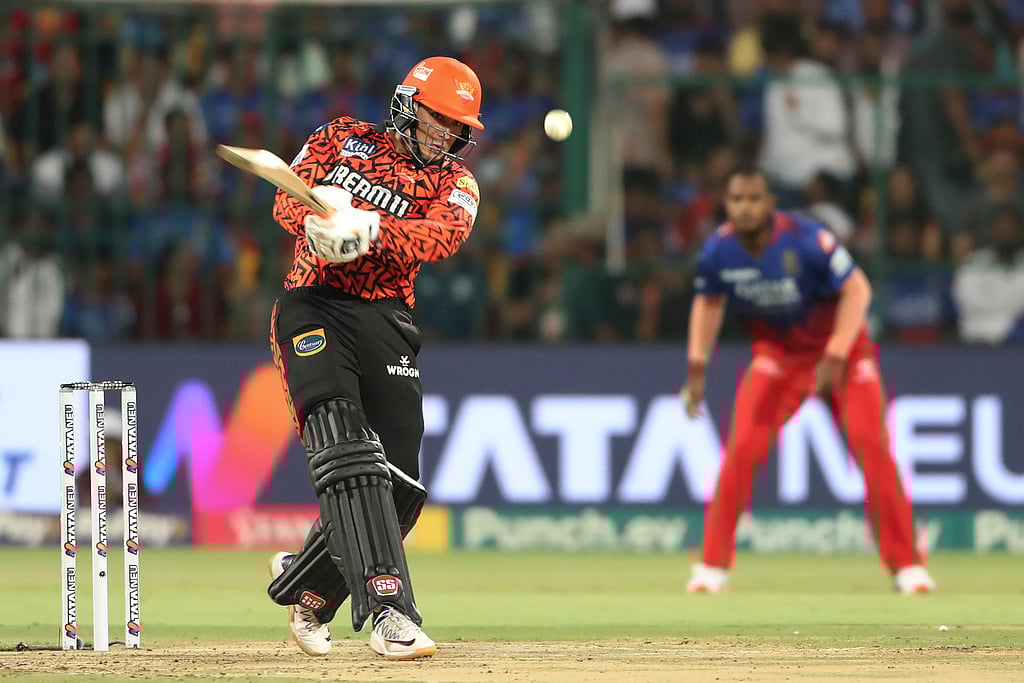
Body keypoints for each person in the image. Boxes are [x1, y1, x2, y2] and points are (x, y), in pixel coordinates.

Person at [263, 56, 484, 660]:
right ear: (407, 106)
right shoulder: (341, 136)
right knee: (343, 442)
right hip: (314, 303)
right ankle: (390, 610)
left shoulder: (456, 183)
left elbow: (441, 237)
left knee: (400, 486)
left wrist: (371, 229)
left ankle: (307, 585)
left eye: (458, 129)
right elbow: (288, 200)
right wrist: (318, 224)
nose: (448, 137)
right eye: (439, 121)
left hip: (387, 316)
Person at [681, 165, 937, 595]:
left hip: (844, 354)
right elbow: (707, 304)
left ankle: (907, 565)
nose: (745, 208)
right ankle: (712, 566)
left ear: (769, 203)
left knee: (871, 447)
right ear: (726, 205)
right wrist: (696, 366)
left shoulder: (806, 238)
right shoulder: (719, 251)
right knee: (741, 449)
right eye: (737, 200)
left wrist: (836, 355)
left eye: (754, 199)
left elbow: (857, 290)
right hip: (779, 359)